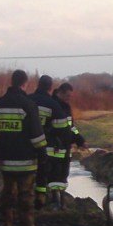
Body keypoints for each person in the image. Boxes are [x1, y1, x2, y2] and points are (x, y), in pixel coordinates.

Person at [0, 69, 46, 226]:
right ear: (24, 84)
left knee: (7, 193)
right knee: (26, 194)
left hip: (6, 161)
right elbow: (36, 135)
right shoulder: (28, 105)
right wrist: (42, 154)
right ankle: (29, 225)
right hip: (26, 161)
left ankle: (8, 223)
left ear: (12, 82)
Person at [27, 74, 64, 210]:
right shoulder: (53, 104)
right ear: (50, 87)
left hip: (27, 145)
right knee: (43, 173)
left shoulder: (28, 99)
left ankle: (27, 197)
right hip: (46, 145)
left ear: (38, 84)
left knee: (28, 173)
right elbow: (61, 128)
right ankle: (40, 199)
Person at [51, 82, 87, 203]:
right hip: (54, 146)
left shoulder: (66, 107)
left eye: (70, 96)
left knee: (64, 174)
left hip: (66, 146)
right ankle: (55, 199)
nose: (69, 98)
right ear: (60, 92)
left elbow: (71, 127)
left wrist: (80, 140)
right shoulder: (53, 105)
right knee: (55, 174)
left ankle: (61, 198)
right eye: (67, 95)